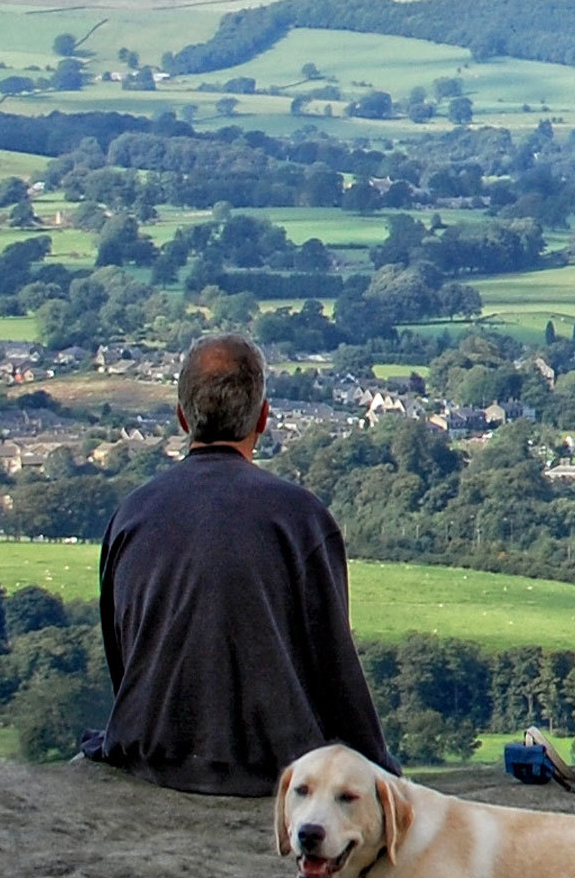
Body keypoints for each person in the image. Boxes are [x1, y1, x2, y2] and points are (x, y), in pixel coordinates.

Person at [83, 332, 394, 796]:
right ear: (263, 419)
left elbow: (123, 657)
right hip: (275, 771)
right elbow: (336, 673)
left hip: (148, 757)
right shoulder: (301, 518)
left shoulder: (132, 514)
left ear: (182, 417)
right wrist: (381, 772)